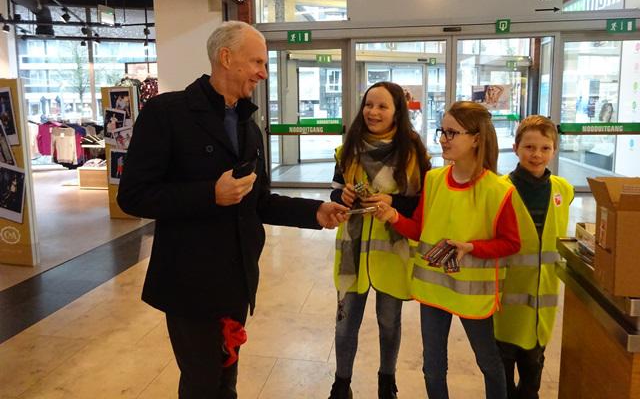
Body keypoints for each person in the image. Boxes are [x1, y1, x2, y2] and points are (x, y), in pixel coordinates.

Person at [117, 20, 348, 399]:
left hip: (236, 279)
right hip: (189, 281)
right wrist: (210, 194)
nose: (262, 72)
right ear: (226, 58)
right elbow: (134, 196)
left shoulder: (247, 124)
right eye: (256, 61)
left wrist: (315, 212)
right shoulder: (167, 113)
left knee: (226, 378)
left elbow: (259, 201)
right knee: (202, 384)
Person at [375, 101, 521, 399]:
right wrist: (393, 217)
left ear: (476, 138)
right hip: (434, 292)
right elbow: (420, 230)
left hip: (473, 297)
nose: (443, 138)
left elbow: (511, 243)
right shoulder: (434, 180)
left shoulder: (498, 190)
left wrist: (472, 247)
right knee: (432, 367)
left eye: (452, 132)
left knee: (489, 363)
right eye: (443, 130)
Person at [328, 82, 431, 399]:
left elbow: (422, 205)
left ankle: (387, 380)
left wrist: (392, 201)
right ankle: (341, 384)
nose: (373, 112)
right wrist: (342, 195)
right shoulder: (349, 148)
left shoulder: (413, 153)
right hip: (352, 251)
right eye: (368, 105)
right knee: (346, 326)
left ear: (397, 111)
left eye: (382, 106)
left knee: (389, 322)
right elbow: (334, 191)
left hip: (392, 250)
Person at [493, 115, 573, 399]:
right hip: (505, 300)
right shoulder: (499, 189)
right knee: (501, 372)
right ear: (515, 148)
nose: (536, 155)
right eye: (529, 147)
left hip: (542, 302)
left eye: (544, 148)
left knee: (532, 374)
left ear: (554, 150)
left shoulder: (563, 190)